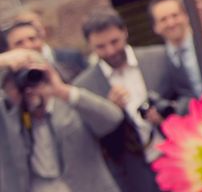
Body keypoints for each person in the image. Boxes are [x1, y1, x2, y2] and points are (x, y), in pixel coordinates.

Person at [74, 8, 193, 192]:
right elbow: (94, 140)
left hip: (177, 159)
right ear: (90, 46)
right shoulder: (85, 85)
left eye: (115, 41)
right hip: (134, 176)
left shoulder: (158, 57)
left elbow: (188, 97)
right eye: (100, 47)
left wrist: (168, 113)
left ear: (125, 32)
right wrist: (109, 111)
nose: (110, 51)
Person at [0, 47, 123, 191]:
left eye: (35, 76)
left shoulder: (71, 103)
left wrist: (61, 90)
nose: (30, 86)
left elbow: (113, 119)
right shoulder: (10, 116)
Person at [148, 0, 202, 97]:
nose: (171, 23)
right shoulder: (158, 62)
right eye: (163, 19)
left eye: (175, 15)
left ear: (186, 16)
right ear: (155, 27)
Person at [12, 10, 87, 82]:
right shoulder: (14, 77)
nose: (28, 45)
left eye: (31, 39)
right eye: (19, 42)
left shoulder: (72, 57)